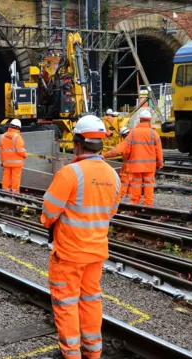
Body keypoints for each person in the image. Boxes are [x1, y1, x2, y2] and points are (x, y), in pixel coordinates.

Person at [41, 115, 120, 359]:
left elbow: (48, 214)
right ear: (101, 144)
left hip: (69, 254)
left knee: (66, 304)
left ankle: (71, 354)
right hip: (96, 252)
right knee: (91, 300)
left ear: (77, 142)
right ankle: (93, 352)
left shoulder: (70, 173)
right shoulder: (113, 175)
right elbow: (111, 212)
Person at [115, 109, 163, 206]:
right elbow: (159, 151)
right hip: (149, 167)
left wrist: (105, 155)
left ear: (140, 120)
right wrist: (159, 163)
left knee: (136, 184)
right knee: (149, 185)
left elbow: (125, 149)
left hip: (136, 166)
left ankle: (134, 203)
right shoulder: (154, 134)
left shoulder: (132, 133)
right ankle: (148, 204)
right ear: (149, 120)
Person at [0, 119, 27, 194]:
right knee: (16, 177)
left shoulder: (2, 136)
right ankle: (15, 192)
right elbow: (20, 150)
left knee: (6, 176)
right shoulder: (17, 137)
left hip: (6, 162)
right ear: (18, 127)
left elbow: (1, 151)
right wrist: (25, 154)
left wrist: (2, 161)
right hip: (17, 163)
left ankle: (5, 190)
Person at [103, 126, 131, 199]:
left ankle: (122, 195)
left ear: (124, 135)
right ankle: (131, 195)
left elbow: (115, 152)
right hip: (139, 165)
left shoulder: (126, 142)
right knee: (133, 181)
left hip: (128, 164)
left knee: (124, 179)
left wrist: (103, 156)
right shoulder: (138, 139)